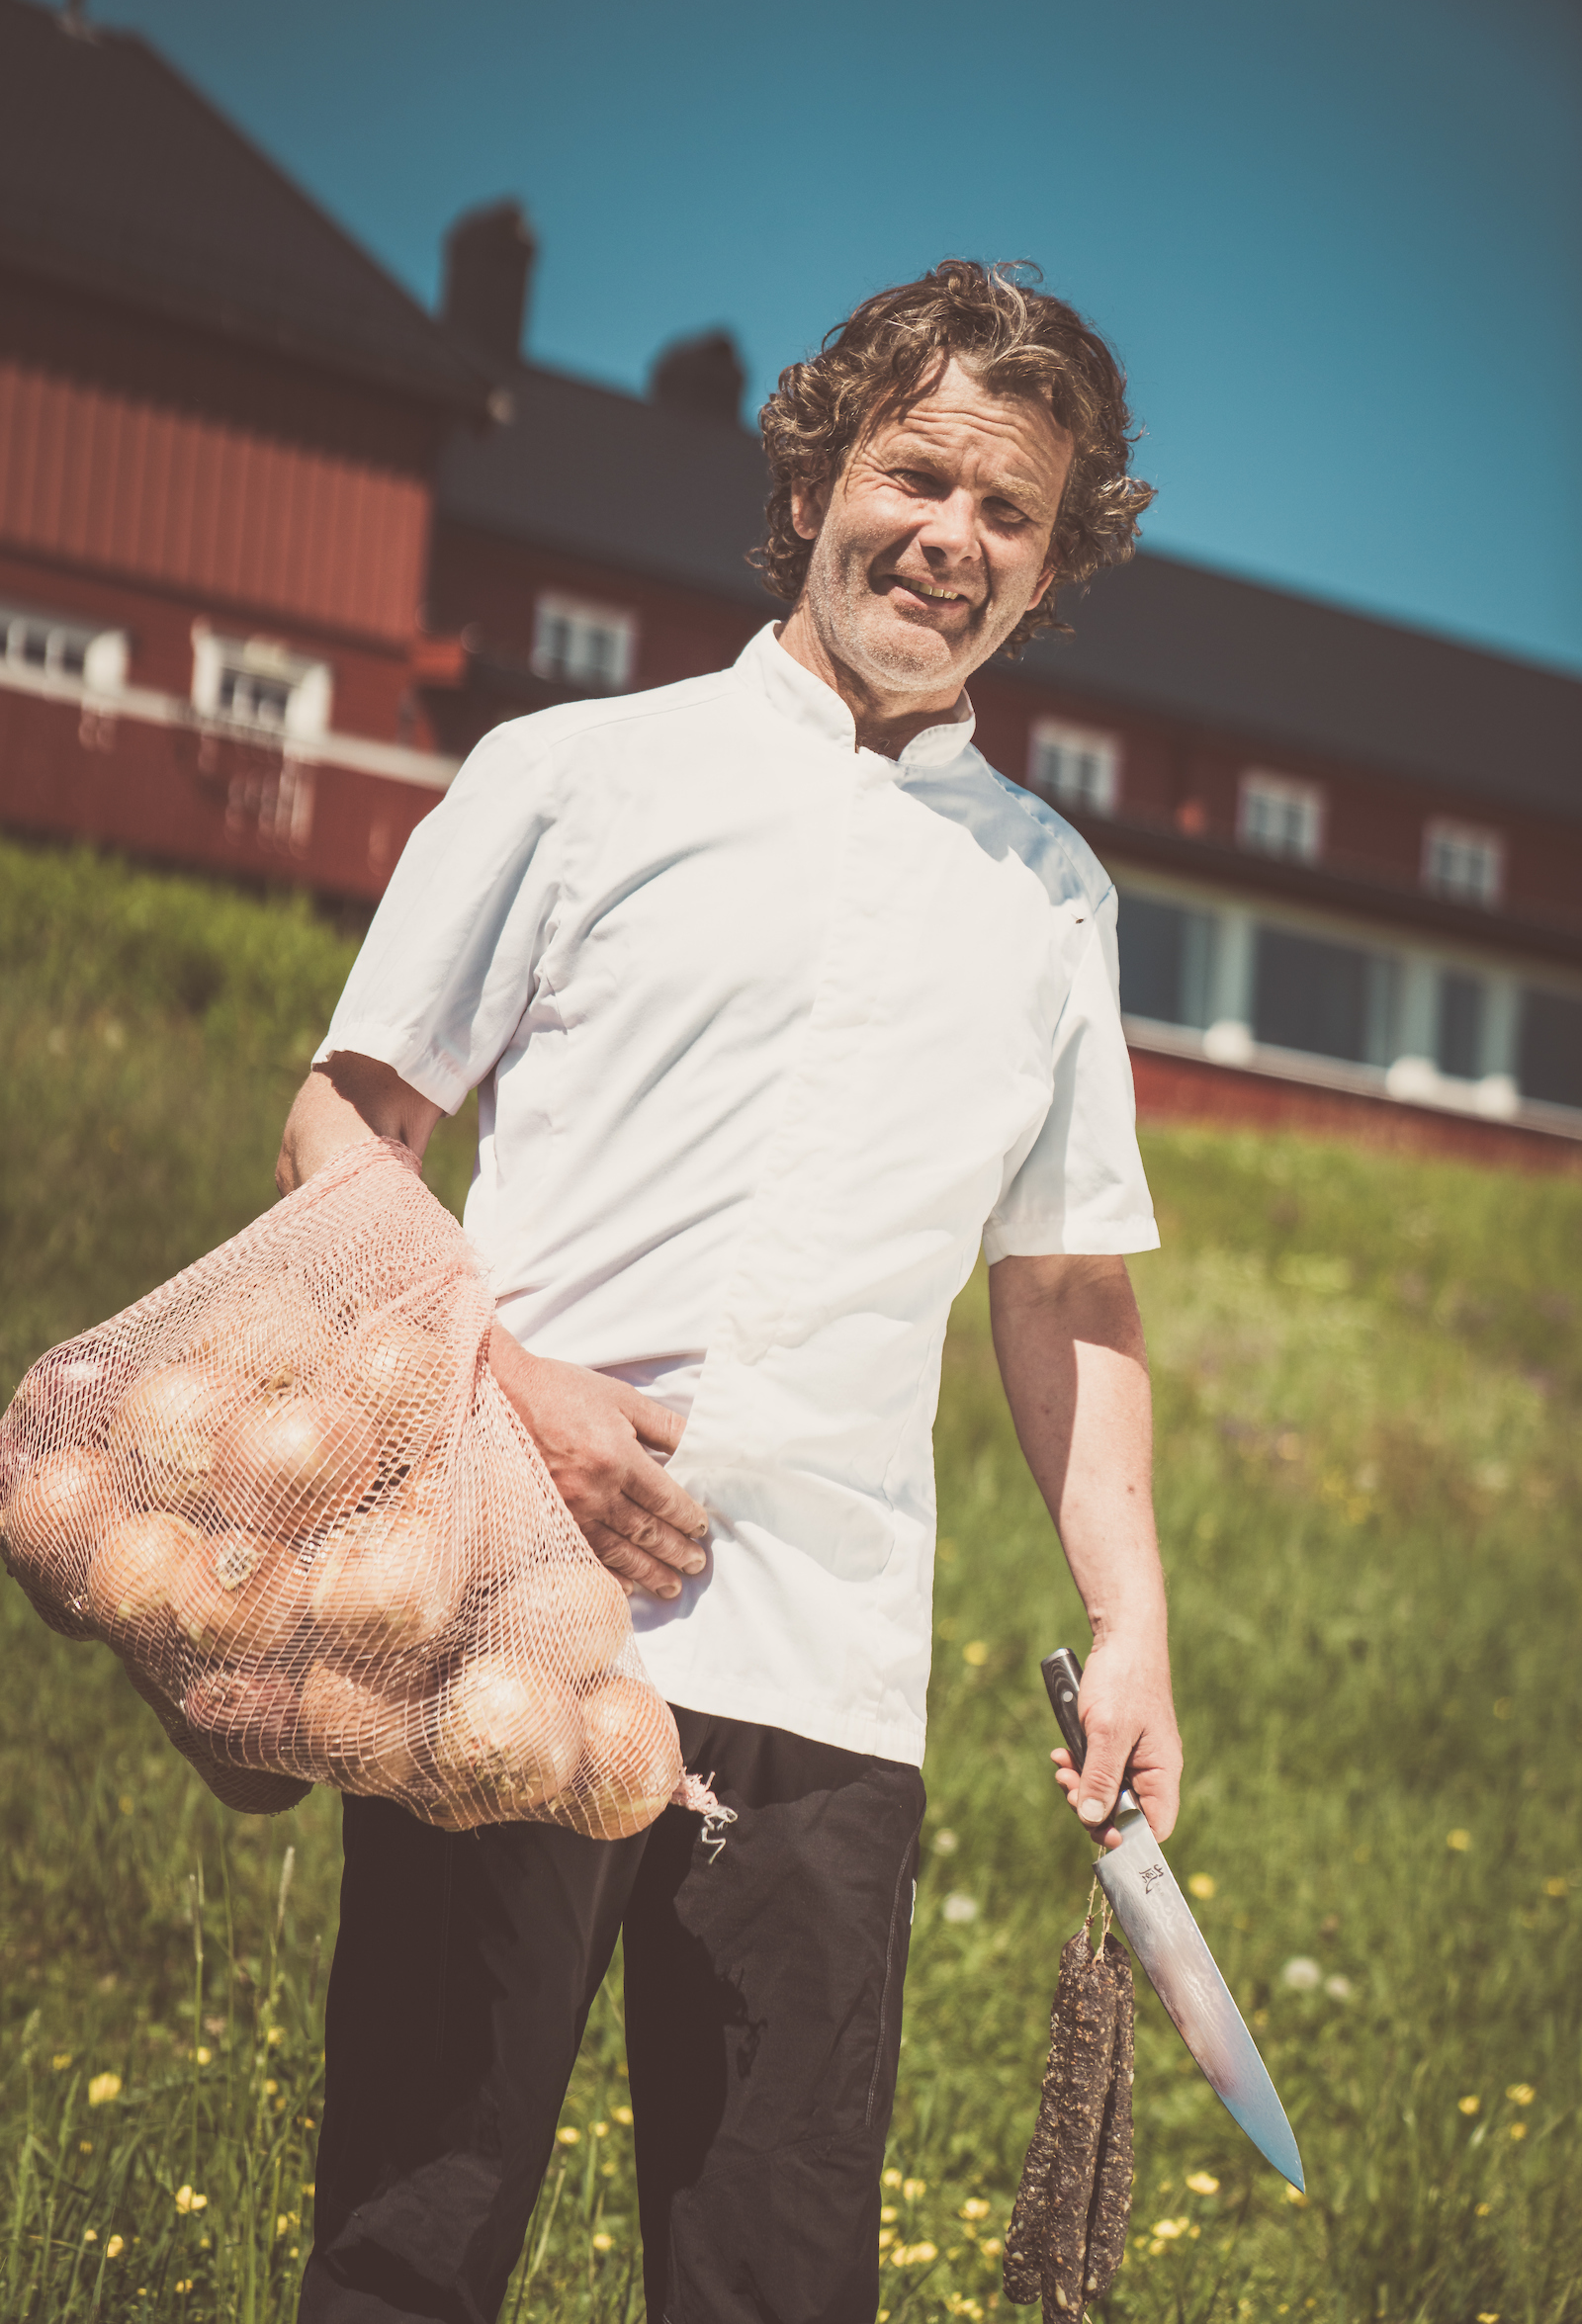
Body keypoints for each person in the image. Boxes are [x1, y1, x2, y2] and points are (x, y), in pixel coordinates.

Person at [281, 259, 1183, 2324]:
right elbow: (346, 1126)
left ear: (1051, 570)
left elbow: (1064, 1290)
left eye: (1009, 512)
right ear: (811, 480)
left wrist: (1131, 1626)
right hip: (506, 1602)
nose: (950, 538)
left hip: (830, 1689)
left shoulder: (1053, 901)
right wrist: (507, 1384)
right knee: (410, 2244)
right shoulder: (572, 773)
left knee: (776, 2282)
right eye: (915, 475)